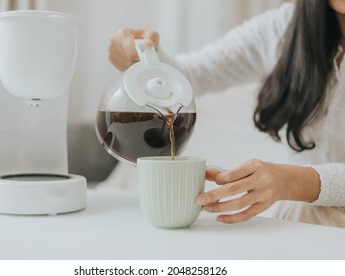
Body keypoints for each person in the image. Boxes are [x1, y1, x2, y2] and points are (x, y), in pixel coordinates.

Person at [108, 0, 345, 227]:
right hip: (299, 218)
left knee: (297, 211)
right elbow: (191, 75)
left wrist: (291, 181)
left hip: (300, 213)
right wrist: (142, 55)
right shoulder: (282, 28)